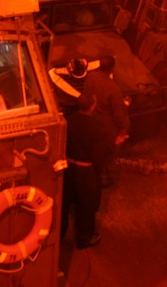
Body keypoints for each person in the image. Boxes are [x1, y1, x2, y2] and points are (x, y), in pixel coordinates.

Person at [61, 93, 107, 249]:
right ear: (93, 106)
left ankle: (59, 236)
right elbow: (98, 157)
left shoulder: (68, 121)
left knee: (65, 203)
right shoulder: (97, 127)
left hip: (67, 167)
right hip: (84, 171)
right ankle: (84, 238)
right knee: (86, 206)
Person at [81, 55, 129, 186]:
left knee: (94, 151)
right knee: (109, 153)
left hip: (91, 120)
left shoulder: (90, 77)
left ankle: (94, 174)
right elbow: (119, 112)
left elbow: (86, 94)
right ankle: (103, 178)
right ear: (112, 69)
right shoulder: (113, 88)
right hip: (107, 127)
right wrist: (123, 128)